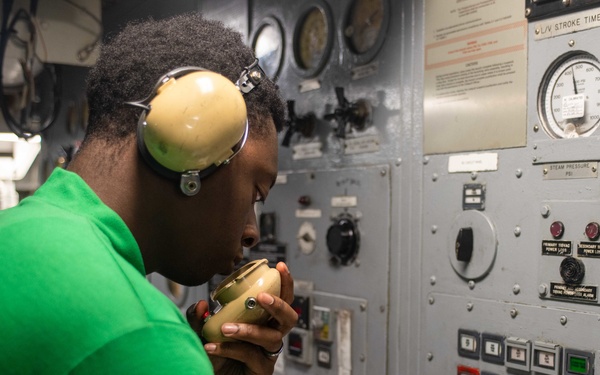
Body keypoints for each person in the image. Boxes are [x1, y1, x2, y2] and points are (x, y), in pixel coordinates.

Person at [0, 12, 298, 375]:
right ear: (192, 144)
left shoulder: (15, 228)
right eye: (256, 193)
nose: (252, 233)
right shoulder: (141, 336)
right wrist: (173, 357)